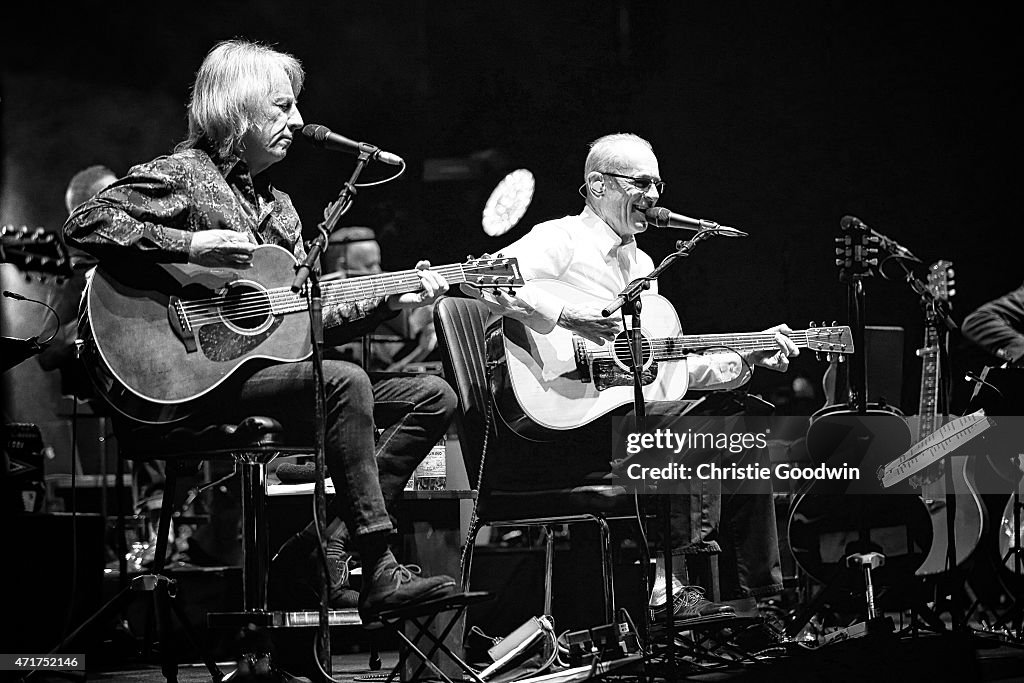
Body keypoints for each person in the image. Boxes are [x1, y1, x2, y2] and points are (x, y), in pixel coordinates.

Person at [64, 39, 456, 623]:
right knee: (347, 383)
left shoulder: (282, 210)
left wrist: (387, 299)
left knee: (433, 395)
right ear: (237, 109)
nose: (297, 121)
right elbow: (87, 222)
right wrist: (189, 244)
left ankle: (329, 545)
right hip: (186, 380)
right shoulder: (183, 175)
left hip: (265, 377)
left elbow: (305, 318)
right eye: (281, 107)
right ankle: (379, 566)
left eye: (295, 107)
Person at [462, 133, 797, 619]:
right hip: (556, 433)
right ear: (598, 185)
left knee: (740, 431)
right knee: (691, 428)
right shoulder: (560, 239)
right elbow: (483, 276)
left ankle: (759, 601)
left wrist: (747, 358)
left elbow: (657, 372)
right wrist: (565, 317)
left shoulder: (641, 263)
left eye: (658, 184)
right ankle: (670, 586)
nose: (655, 196)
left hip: (619, 421)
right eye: (641, 183)